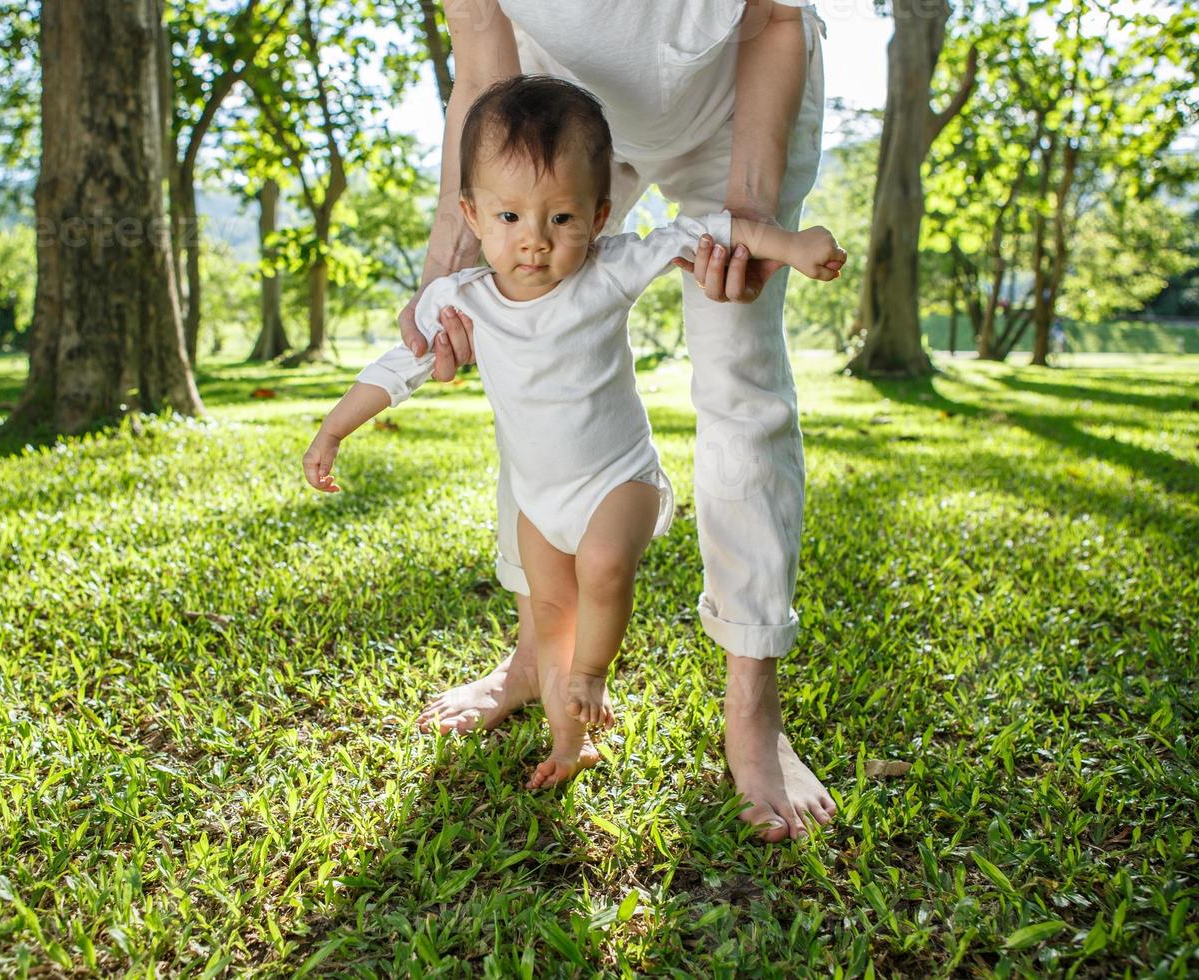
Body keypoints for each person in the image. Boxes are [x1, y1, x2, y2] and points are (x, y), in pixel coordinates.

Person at [303, 74, 844, 790]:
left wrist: (792, 244)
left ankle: (593, 675)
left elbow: (700, 229)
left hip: (618, 479)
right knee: (550, 607)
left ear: (599, 213)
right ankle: (568, 742)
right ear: (471, 213)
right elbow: (394, 368)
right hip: (539, 498)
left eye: (561, 218)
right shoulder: (461, 301)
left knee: (603, 571)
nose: (534, 241)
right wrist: (334, 431)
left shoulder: (607, 271)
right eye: (509, 218)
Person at [409, 0, 840, 843]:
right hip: (557, 109)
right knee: (528, 358)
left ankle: (752, 708)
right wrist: (447, 277)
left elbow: (780, 17)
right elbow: (481, 44)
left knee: (740, 375)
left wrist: (749, 218)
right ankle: (539, 652)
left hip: (736, 99)